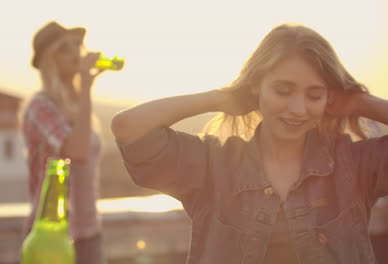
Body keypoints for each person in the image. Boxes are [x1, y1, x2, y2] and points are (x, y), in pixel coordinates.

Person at [111, 23, 388, 264]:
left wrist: (359, 102)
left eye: (314, 95)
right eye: (283, 90)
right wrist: (219, 98)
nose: (298, 108)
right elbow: (128, 126)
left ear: (329, 98)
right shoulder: (212, 164)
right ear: (256, 85)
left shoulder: (354, 165)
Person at [21, 21, 106, 264]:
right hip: (51, 237)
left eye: (77, 44)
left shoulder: (78, 108)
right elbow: (77, 152)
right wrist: (88, 87)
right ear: (49, 60)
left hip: (89, 233)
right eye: (64, 47)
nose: (76, 51)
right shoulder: (39, 107)